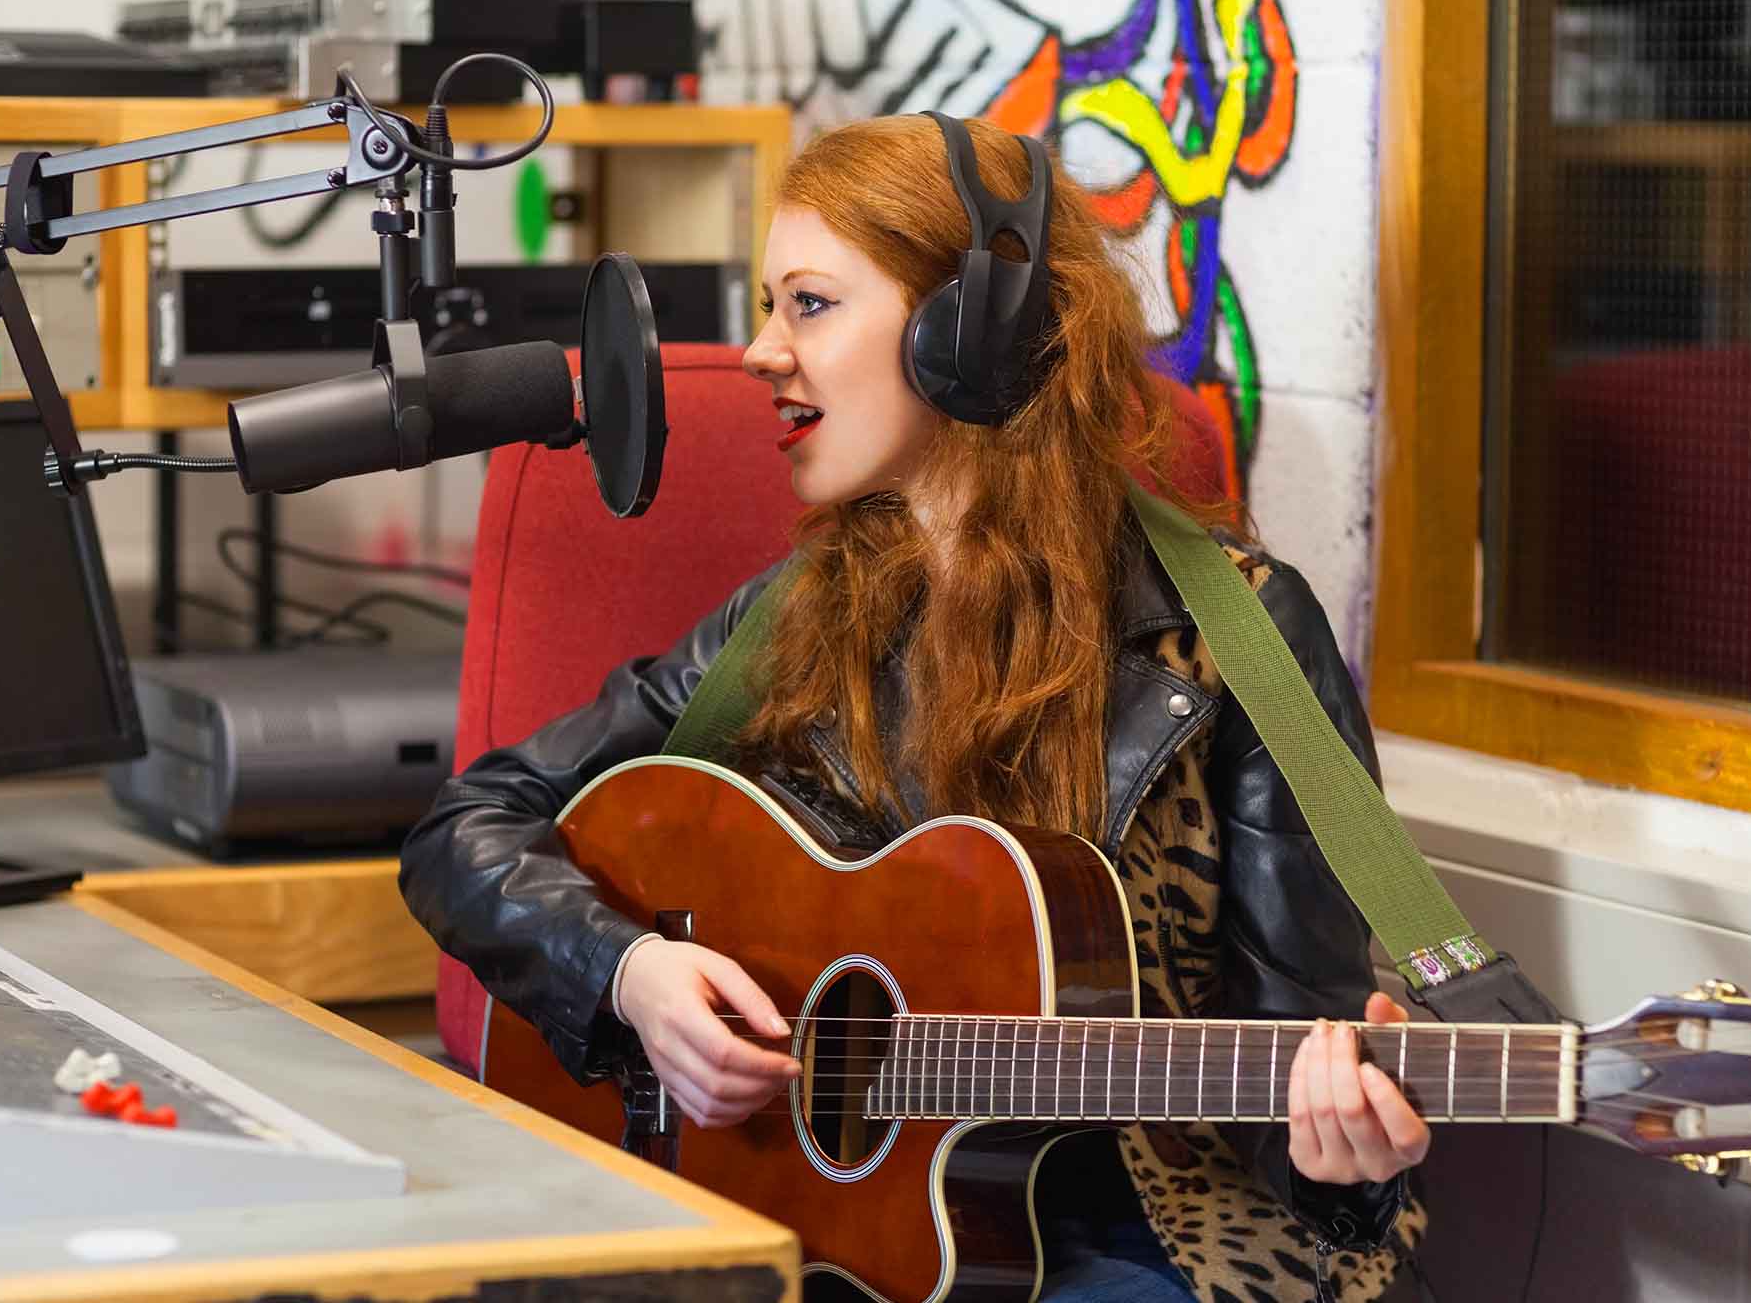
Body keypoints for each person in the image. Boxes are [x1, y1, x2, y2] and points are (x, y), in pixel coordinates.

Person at [399, 113, 1430, 1303]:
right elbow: (465, 826)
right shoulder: (791, 617)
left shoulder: (1235, 635)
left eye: (808, 304)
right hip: (807, 1210)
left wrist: (1345, 1164)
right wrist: (628, 971)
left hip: (1126, 1230)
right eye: (770, 305)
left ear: (972, 334)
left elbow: (1305, 1049)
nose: (759, 351)